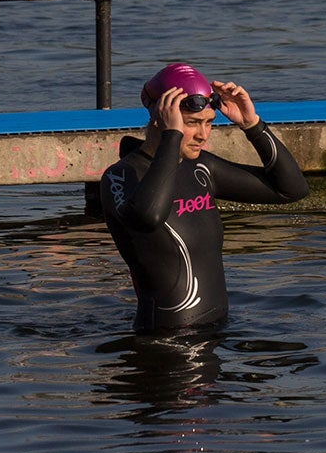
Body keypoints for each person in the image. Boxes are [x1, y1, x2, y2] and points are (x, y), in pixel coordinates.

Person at [98, 62, 308, 332]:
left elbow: (291, 190)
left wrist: (252, 125)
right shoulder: (120, 176)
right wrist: (171, 136)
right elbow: (148, 216)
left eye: (209, 123)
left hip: (216, 332)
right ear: (160, 118)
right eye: (192, 123)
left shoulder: (201, 168)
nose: (203, 135)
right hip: (165, 343)